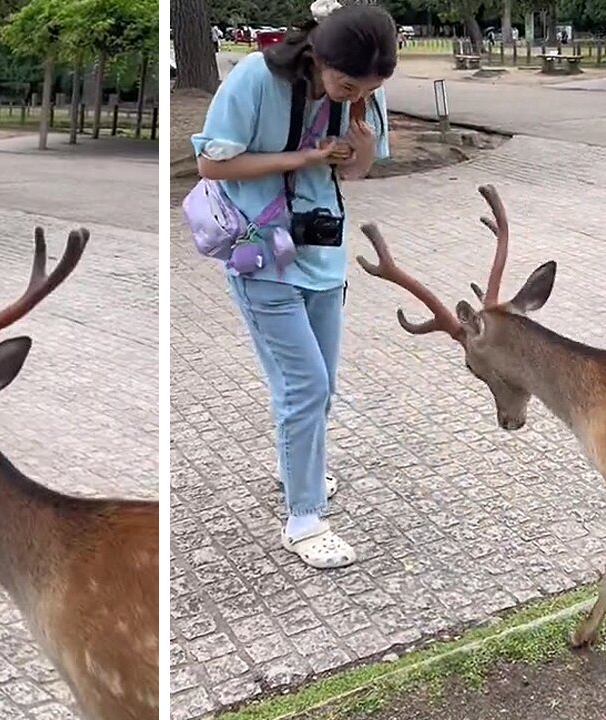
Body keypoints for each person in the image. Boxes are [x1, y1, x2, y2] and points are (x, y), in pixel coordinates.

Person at [191, 3, 397, 570]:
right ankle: (304, 518)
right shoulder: (256, 78)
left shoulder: (362, 93)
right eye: (346, 84)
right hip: (261, 257)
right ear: (318, 56)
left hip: (323, 257)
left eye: (368, 90)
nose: (353, 96)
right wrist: (305, 155)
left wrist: (357, 150)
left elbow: (357, 173)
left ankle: (295, 467)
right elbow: (211, 166)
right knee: (303, 389)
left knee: (321, 388)